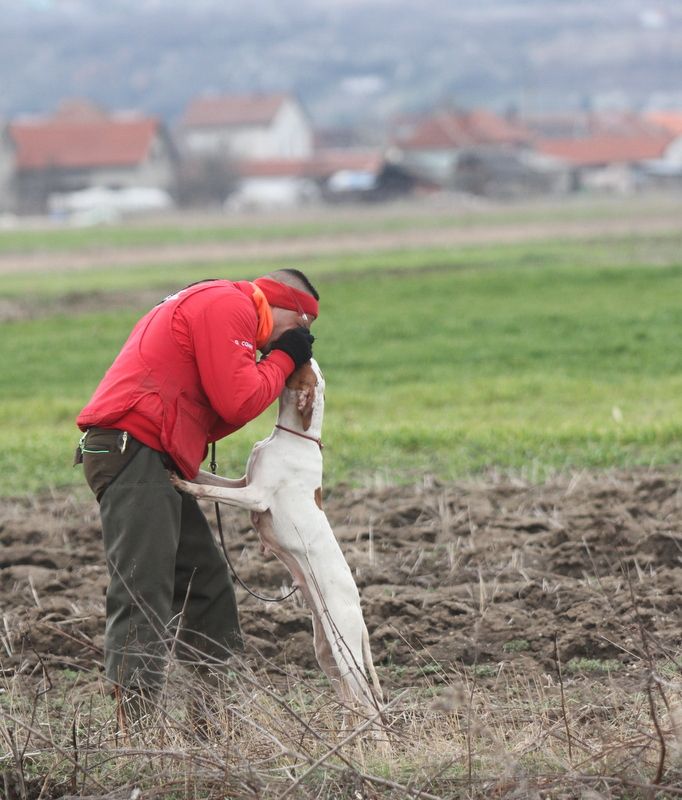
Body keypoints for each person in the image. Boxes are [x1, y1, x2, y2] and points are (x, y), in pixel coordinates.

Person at [74, 268, 318, 712]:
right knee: (143, 588)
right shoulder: (230, 305)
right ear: (288, 307)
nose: (294, 342)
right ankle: (137, 731)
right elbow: (237, 401)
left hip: (151, 454)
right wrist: (284, 359)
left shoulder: (219, 305)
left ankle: (213, 718)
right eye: (302, 330)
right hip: (133, 450)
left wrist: (280, 365)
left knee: (206, 586)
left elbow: (223, 413)